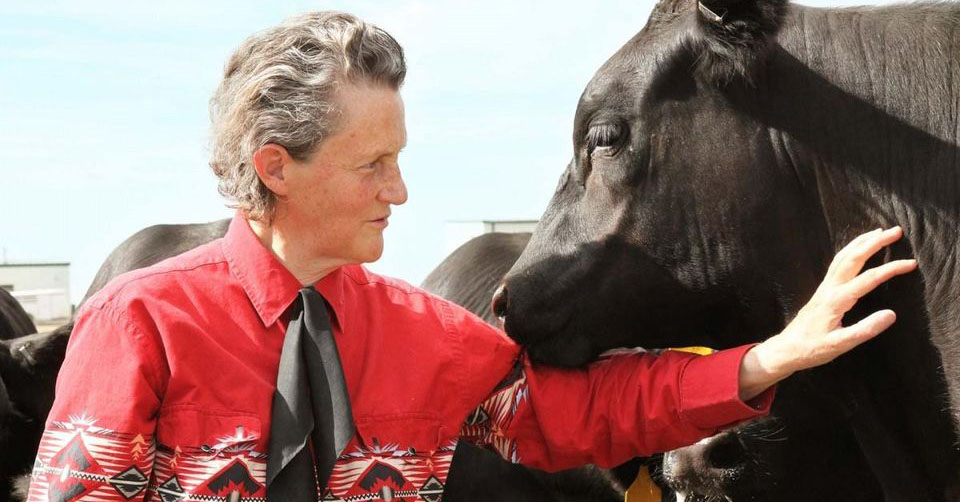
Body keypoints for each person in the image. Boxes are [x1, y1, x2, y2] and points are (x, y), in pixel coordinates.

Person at [25, 11, 916, 502]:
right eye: (372, 165)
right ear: (276, 170)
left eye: (400, 159)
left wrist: (772, 356)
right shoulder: (137, 324)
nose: (400, 191)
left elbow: (579, 413)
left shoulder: (422, 338)